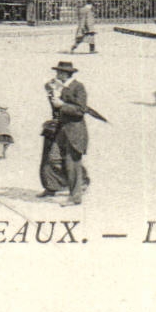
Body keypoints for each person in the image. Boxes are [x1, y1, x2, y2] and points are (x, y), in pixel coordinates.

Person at [39, 60, 92, 206]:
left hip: (75, 130)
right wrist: (52, 89)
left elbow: (80, 110)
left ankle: (76, 197)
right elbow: (48, 87)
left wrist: (62, 105)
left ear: (66, 74)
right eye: (57, 72)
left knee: (72, 163)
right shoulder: (59, 87)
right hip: (61, 129)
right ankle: (55, 186)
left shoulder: (78, 87)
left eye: (60, 72)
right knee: (53, 158)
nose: (57, 74)